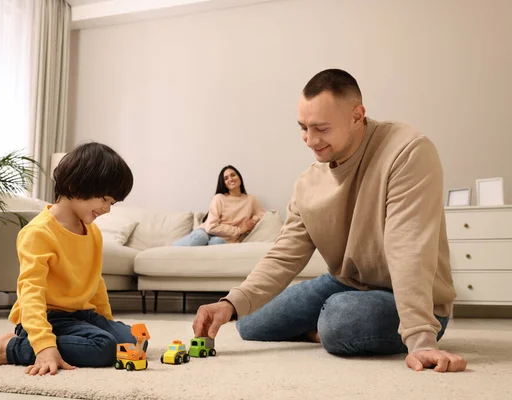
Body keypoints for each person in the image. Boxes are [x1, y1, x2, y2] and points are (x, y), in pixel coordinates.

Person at [192, 69, 468, 373]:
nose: (310, 140)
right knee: (250, 322)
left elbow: (409, 248)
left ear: (357, 116)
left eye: (321, 128)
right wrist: (229, 304)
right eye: (303, 128)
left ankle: (329, 325)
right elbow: (284, 255)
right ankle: (322, 327)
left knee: (340, 320)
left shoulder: (407, 152)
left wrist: (421, 339)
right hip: (346, 283)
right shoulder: (308, 182)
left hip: (413, 300)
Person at [0, 142, 146, 376]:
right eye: (104, 199)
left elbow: (96, 281)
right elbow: (30, 292)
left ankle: (90, 337)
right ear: (76, 184)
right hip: (50, 316)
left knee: (134, 341)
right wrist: (45, 346)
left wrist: (107, 323)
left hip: (82, 315)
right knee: (103, 348)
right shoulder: (39, 233)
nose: (107, 209)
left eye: (112, 203)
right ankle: (10, 347)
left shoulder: (92, 232)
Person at [173, 165, 265, 246]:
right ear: (224, 183)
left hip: (226, 239)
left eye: (233, 175)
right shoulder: (219, 198)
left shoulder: (250, 199)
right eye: (226, 178)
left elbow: (262, 214)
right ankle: (171, 248)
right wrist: (239, 230)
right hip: (206, 232)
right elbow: (211, 227)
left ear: (239, 177)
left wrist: (252, 221)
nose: (231, 179)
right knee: (201, 238)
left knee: (218, 242)